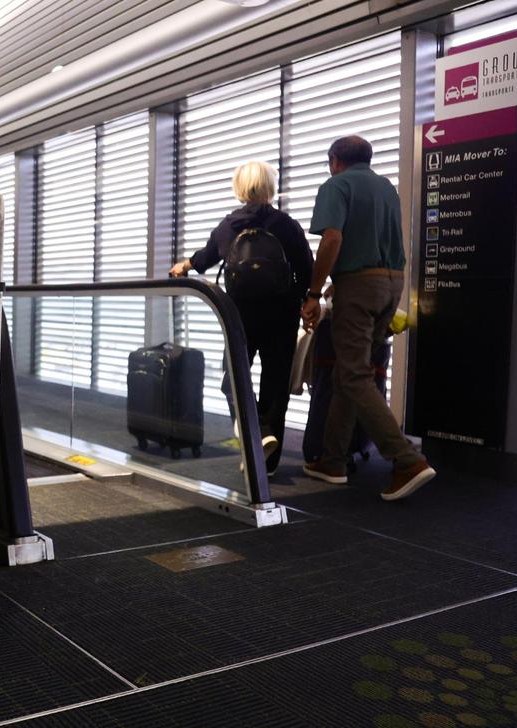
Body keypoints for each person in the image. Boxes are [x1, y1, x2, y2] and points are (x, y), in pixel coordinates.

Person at [300, 135, 435, 501]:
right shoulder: (386, 188)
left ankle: (407, 460)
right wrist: (339, 283)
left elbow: (332, 239)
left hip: (359, 289)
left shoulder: (336, 184)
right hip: (391, 285)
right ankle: (333, 461)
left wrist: (314, 292)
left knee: (355, 374)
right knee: (352, 371)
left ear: (334, 160)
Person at [169, 161, 312, 475]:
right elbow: (306, 269)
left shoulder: (230, 225)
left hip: (239, 316)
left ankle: (254, 436)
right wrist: (299, 300)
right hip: (282, 316)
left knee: (233, 380)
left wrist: (184, 266)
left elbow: (206, 257)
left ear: (240, 187)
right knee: (275, 386)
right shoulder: (286, 224)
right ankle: (268, 460)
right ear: (269, 187)